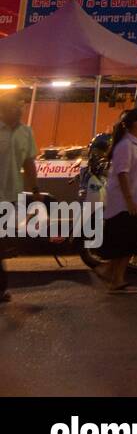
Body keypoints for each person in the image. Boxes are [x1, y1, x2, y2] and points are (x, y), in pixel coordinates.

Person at [94, 109, 137, 295]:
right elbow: (122, 173)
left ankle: (109, 274)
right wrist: (129, 201)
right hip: (124, 203)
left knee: (128, 243)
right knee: (125, 244)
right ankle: (116, 281)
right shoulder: (126, 145)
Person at [0, 98, 37, 304]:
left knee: (2, 243)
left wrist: (35, 189)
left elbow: (29, 163)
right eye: (15, 108)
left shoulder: (26, 132)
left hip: (11, 195)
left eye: (20, 109)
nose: (19, 112)